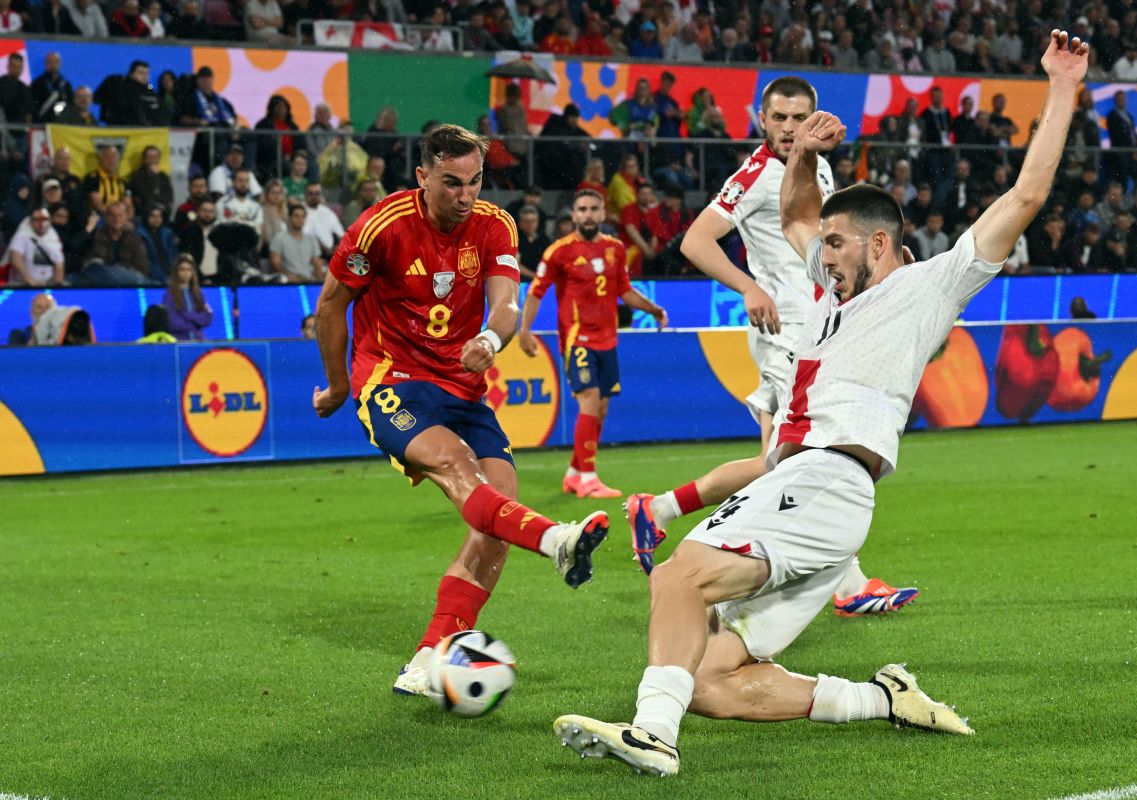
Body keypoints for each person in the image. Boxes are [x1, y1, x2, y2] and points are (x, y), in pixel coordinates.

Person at [556, 31, 1090, 778]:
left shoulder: (926, 288)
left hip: (826, 477)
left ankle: (653, 734)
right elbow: (796, 211)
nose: (821, 256)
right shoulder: (829, 293)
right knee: (709, 679)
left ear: (880, 245)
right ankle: (882, 698)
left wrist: (1062, 86)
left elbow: (1026, 195)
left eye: (835, 245)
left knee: (676, 578)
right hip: (809, 490)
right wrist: (802, 152)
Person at [313, 124, 610, 697]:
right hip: (393, 381)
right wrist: (337, 385)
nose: (465, 195)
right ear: (422, 176)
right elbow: (330, 305)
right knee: (458, 468)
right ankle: (555, 540)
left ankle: (428, 658)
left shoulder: (495, 225)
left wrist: (491, 341)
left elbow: (506, 304)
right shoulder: (381, 226)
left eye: (475, 182)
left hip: (466, 387)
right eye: (452, 183)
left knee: (497, 519)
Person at [625, 76, 911, 618]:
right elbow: (695, 241)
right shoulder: (754, 174)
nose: (789, 128)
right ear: (762, 120)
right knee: (812, 454)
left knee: (779, 462)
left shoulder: (815, 167)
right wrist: (750, 288)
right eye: (779, 118)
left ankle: (659, 510)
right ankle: (845, 585)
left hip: (815, 332)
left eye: (799, 118)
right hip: (786, 335)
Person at [517, 190, 667, 498]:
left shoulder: (615, 248)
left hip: (607, 340)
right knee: (589, 400)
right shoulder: (559, 252)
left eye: (593, 209)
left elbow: (625, 291)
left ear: (602, 213)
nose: (587, 214)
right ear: (574, 215)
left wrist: (654, 309)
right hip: (578, 340)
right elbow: (535, 291)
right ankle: (588, 478)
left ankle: (574, 473)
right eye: (582, 209)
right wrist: (524, 330)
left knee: (600, 409)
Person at [6, 207, 65, 286]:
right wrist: (29, 280)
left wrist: (57, 285)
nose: (41, 223)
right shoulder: (22, 235)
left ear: (50, 221)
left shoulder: (53, 237)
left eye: (44, 219)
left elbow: (59, 264)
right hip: (22, 284)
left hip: (47, 285)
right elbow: (15, 257)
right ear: (30, 221)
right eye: (37, 220)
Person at [270, 202, 323, 282]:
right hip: (289, 282)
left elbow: (317, 262)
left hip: (309, 280)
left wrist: (320, 281)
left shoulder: (311, 239)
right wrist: (286, 276)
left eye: (303, 216)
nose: (300, 220)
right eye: (296, 216)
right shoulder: (279, 238)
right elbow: (275, 262)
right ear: (289, 218)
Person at [163, 254, 213, 340]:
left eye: (189, 269)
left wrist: (187, 315)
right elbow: (173, 323)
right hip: (179, 343)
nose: (185, 273)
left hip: (199, 341)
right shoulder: (169, 294)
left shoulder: (198, 293)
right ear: (176, 271)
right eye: (182, 269)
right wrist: (195, 324)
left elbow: (207, 318)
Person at [129, 145, 173, 220]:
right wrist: (154, 177)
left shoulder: (163, 176)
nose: (152, 160)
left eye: (155, 157)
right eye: (149, 157)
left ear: (158, 159)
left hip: (162, 215)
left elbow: (169, 197)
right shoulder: (137, 175)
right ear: (144, 159)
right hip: (142, 215)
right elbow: (146, 197)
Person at [31, 52, 72, 124]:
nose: (53, 64)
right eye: (50, 62)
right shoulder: (37, 83)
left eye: (55, 61)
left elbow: (70, 104)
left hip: (61, 123)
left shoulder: (66, 85)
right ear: (45, 63)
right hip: (42, 123)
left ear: (60, 63)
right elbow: (32, 105)